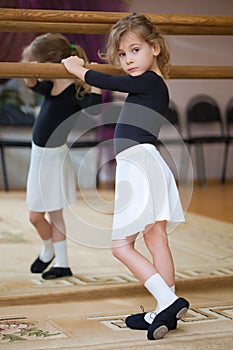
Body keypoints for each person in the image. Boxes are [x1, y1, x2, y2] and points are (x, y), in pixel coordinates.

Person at [62, 13, 189, 340]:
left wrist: (79, 69)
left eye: (135, 50)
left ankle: (168, 300)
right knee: (155, 237)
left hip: (139, 166)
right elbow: (104, 92)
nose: (127, 60)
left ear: (156, 48)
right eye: (121, 54)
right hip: (148, 163)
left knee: (121, 246)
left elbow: (113, 83)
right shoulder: (150, 85)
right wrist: (90, 80)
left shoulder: (149, 81)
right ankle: (164, 312)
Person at [22, 33, 101, 280]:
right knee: (36, 216)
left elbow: (94, 110)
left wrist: (94, 79)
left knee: (48, 214)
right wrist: (30, 70)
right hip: (39, 156)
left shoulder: (75, 91)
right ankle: (49, 252)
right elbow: (31, 83)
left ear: (52, 62)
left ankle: (61, 262)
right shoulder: (51, 84)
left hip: (53, 159)